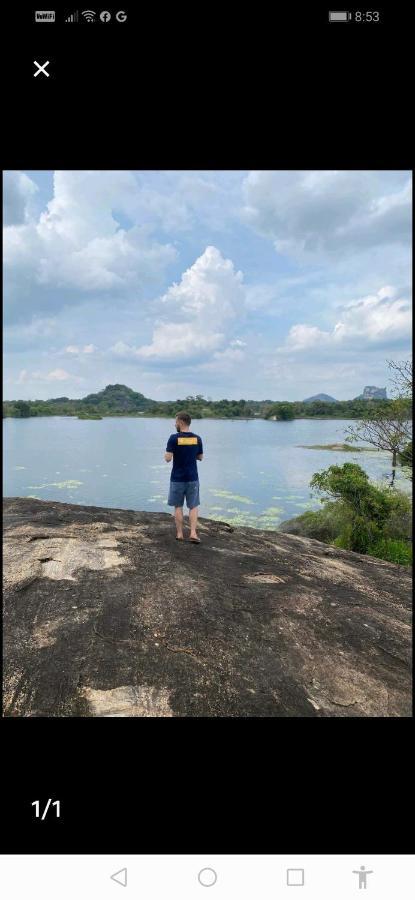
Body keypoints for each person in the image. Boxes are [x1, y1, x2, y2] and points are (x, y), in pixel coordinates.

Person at [164, 411, 203, 543]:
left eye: (175, 421)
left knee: (178, 506)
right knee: (193, 506)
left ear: (180, 422)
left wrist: (172, 452)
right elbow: (200, 457)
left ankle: (180, 534)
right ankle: (192, 533)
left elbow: (168, 459)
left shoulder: (173, 438)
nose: (175, 424)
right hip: (192, 478)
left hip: (177, 478)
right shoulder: (197, 438)